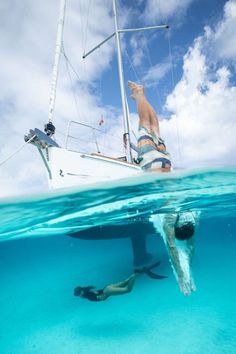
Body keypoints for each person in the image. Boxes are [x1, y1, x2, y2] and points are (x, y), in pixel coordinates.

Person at [128, 81, 198, 295]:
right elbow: (172, 248)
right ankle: (139, 94)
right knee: (143, 122)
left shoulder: (191, 215)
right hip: (151, 163)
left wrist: (189, 272)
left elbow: (190, 247)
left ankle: (143, 94)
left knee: (155, 124)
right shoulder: (170, 217)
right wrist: (182, 280)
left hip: (166, 164)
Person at [150, 211, 200, 296]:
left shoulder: (195, 218)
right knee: (168, 239)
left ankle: (186, 276)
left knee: (180, 246)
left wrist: (188, 272)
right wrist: (180, 276)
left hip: (178, 217)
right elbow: (171, 246)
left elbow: (190, 245)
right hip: (167, 213)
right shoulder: (170, 217)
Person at [128, 80, 171, 172]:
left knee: (154, 125)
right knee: (146, 122)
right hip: (152, 159)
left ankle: (140, 95)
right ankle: (139, 94)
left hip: (164, 157)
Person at [74, 262, 167, 302]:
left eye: (78, 295)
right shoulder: (87, 292)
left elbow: (101, 298)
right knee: (126, 281)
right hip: (108, 287)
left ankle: (136, 274)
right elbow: (96, 292)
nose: (80, 296)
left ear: (80, 293)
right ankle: (143, 271)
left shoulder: (88, 297)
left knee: (128, 289)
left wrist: (102, 297)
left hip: (107, 291)